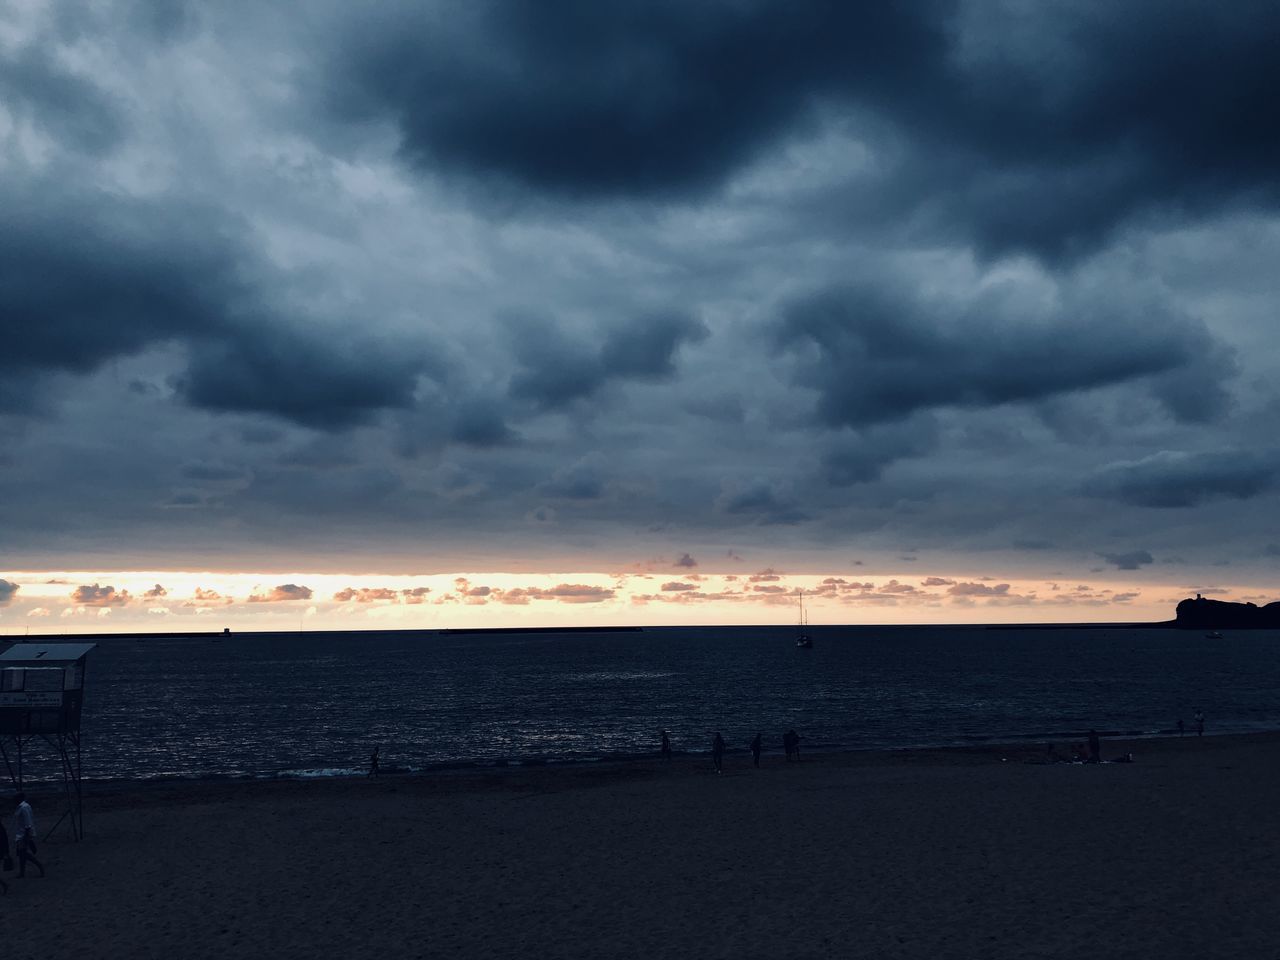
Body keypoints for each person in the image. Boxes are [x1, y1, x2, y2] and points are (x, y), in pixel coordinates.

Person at [13, 793, 44, 879]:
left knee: (22, 853)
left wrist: (27, 837)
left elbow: (28, 823)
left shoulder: (23, 808)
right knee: (21, 854)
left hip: (23, 834)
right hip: (22, 833)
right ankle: (22, 872)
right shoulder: (23, 807)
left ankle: (39, 865)